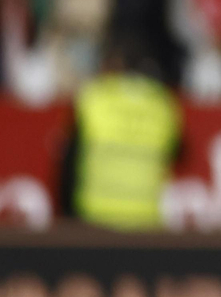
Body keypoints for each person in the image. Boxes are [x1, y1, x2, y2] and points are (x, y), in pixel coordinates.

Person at [59, 36, 182, 231]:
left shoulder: (94, 97)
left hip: (95, 217)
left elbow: (69, 164)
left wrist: (68, 213)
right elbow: (179, 152)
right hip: (146, 219)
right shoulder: (162, 102)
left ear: (113, 63)